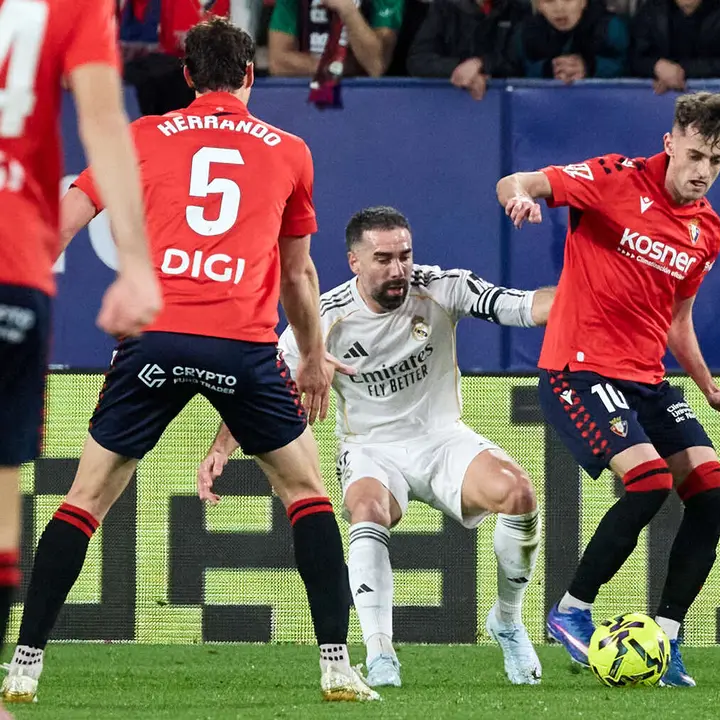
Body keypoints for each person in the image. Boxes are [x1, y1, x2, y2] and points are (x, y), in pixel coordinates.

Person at [1, 18, 377, 704]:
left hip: (155, 339)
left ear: (185, 79)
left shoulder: (141, 137)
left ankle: (23, 665)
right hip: (241, 346)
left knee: (86, 498)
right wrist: (315, 361)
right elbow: (298, 279)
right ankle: (335, 665)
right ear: (250, 76)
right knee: (306, 493)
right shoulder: (291, 151)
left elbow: (67, 214)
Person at [196, 206, 554, 688]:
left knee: (519, 494)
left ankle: (508, 623)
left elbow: (523, 306)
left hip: (440, 436)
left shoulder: (443, 286)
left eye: (405, 256)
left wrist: (589, 292)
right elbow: (265, 380)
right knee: (365, 508)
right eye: (383, 258)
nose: (398, 269)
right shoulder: (323, 318)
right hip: (370, 446)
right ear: (354, 262)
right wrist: (222, 446)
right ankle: (381, 653)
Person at [496, 91, 720, 687]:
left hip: (647, 377)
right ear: (669, 143)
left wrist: (710, 389)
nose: (703, 171)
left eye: (717, 160)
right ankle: (572, 611)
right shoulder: (614, 178)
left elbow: (677, 321)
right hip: (578, 370)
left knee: (713, 491)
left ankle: (664, 638)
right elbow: (521, 180)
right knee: (650, 483)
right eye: (694, 155)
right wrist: (519, 200)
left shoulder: (707, 231)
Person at [0, 1, 161, 711]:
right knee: (2, 503)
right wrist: (134, 263)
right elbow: (101, 124)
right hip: (10, 264)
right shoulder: (73, 8)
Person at [405, 0, 529, 100]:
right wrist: (460, 69)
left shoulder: (519, 10)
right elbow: (418, 60)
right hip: (448, 104)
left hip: (503, 104)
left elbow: (518, 60)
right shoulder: (444, 8)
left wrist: (481, 63)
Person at [629, 0, 720, 93]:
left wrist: (679, 72)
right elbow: (633, 59)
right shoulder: (651, 11)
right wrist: (656, 66)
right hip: (657, 103)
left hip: (715, 102)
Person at [268, 0, 403, 78]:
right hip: (304, 92)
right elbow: (278, 62)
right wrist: (334, 67)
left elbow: (376, 66)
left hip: (364, 97)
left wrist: (347, 10)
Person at [516, 0, 629, 82]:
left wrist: (590, 67)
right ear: (538, 5)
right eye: (549, 1)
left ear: (583, 2)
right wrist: (549, 69)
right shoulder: (528, 32)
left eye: (568, 0)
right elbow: (522, 69)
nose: (559, 8)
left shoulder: (610, 26)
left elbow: (626, 66)